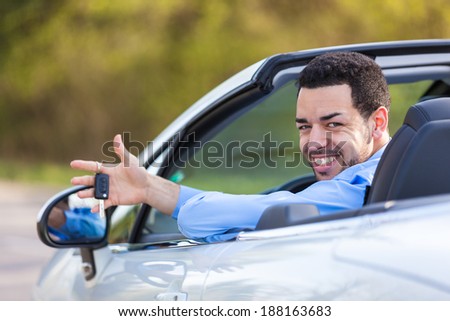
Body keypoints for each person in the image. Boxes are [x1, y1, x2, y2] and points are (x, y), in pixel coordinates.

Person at [70, 52, 390, 243]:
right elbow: (260, 207)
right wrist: (147, 187)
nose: (315, 141)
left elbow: (203, 218)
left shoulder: (357, 188)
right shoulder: (400, 168)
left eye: (333, 124)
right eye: (304, 126)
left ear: (376, 123)